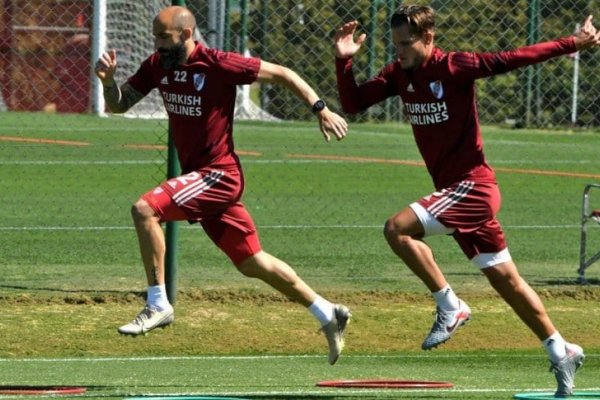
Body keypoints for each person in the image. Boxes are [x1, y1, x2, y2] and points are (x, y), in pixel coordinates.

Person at [334, 5, 599, 396]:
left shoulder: (455, 67)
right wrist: (344, 63)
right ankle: (560, 348)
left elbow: (514, 58)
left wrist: (572, 43)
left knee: (397, 229)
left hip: (472, 187)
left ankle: (449, 305)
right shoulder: (398, 74)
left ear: (429, 38)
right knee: (507, 280)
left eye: (406, 43)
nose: (399, 51)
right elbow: (353, 103)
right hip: (456, 194)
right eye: (395, 44)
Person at [95, 5, 351, 365]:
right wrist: (108, 82)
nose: (157, 45)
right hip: (202, 179)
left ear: (186, 34)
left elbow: (283, 73)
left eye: (164, 38)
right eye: (155, 37)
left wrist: (320, 108)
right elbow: (120, 105)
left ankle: (157, 302)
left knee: (144, 209)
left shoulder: (217, 64)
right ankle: (328, 312)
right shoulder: (158, 65)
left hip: (218, 174)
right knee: (252, 262)